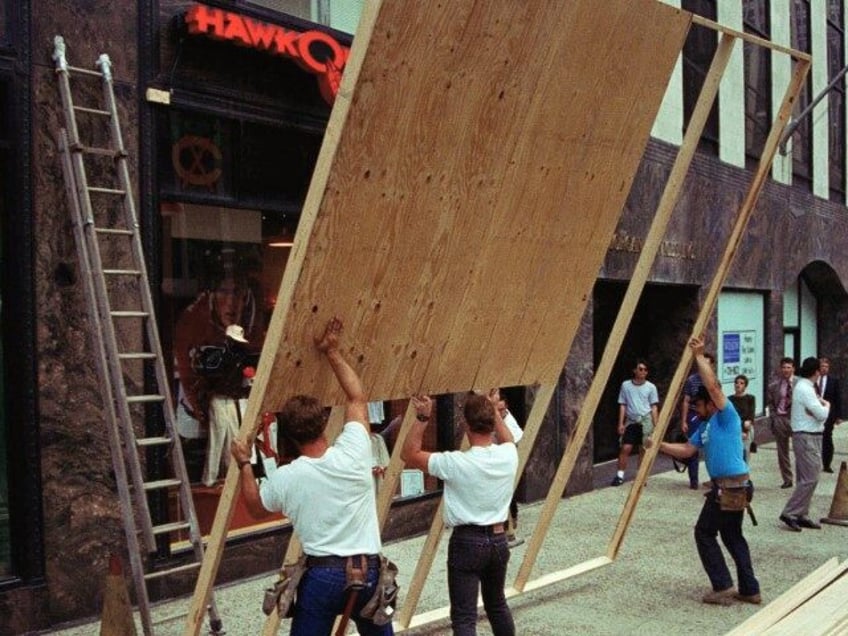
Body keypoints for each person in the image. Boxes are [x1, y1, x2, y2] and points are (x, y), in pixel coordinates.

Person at [231, 317, 393, 636]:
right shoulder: (353, 449)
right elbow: (357, 397)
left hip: (324, 575)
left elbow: (254, 506)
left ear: (288, 438)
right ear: (322, 424)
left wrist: (244, 463)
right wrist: (331, 352)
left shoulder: (287, 478)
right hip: (369, 570)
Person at [402, 391, 517, 636]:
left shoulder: (456, 463)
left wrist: (423, 418)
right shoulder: (509, 455)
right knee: (497, 605)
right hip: (498, 539)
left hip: (467, 542)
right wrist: (493, 410)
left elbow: (409, 454)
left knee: (465, 618)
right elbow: (508, 439)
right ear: (493, 423)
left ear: (466, 425)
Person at [659, 335, 760, 607]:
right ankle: (750, 589)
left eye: (699, 405)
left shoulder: (726, 416)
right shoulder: (704, 427)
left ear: (710, 404)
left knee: (704, 532)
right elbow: (687, 451)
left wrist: (700, 357)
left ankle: (723, 585)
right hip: (730, 487)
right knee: (731, 535)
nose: (696, 409)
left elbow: (713, 387)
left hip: (730, 487)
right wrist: (658, 445)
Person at [778, 356, 830, 532]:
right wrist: (827, 405)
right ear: (816, 371)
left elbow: (814, 411)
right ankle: (791, 512)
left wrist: (818, 408)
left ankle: (802, 513)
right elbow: (821, 414)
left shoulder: (805, 387)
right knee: (811, 477)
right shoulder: (805, 389)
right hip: (807, 435)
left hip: (808, 434)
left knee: (804, 478)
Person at [611, 359, 659, 486]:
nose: (643, 372)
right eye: (640, 369)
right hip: (631, 421)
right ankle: (620, 475)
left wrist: (656, 425)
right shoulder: (626, 385)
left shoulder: (651, 387)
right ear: (634, 370)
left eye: (645, 369)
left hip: (646, 420)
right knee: (626, 447)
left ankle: (641, 476)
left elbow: (654, 406)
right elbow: (623, 404)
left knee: (643, 449)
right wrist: (621, 423)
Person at [680, 353, 716, 490]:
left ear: (711, 365)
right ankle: (693, 480)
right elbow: (686, 401)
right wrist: (684, 420)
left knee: (711, 447)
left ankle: (714, 479)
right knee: (692, 448)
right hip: (694, 415)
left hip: (710, 416)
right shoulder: (691, 380)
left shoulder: (714, 381)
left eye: (707, 364)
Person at [495, 390, 524, 547]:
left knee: (506, 494)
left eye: (502, 410)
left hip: (506, 460)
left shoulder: (507, 420)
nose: (500, 413)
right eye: (497, 409)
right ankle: (508, 533)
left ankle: (509, 531)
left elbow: (514, 442)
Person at [767, 357, 796, 489]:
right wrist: (774, 418)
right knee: (782, 452)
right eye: (784, 367)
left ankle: (802, 477)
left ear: (793, 369)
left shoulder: (800, 383)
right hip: (780, 418)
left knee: (800, 449)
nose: (786, 370)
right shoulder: (774, 386)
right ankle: (787, 479)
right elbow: (771, 404)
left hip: (796, 420)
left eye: (789, 367)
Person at [818, 356, 842, 473]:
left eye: (826, 367)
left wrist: (838, 416)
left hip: (829, 414)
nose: (824, 369)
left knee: (827, 437)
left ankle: (827, 464)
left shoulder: (833, 381)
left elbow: (838, 398)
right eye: (822, 366)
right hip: (815, 414)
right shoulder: (813, 381)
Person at [728, 374, 755, 463]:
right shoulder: (730, 399)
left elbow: (750, 417)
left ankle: (745, 474)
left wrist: (744, 431)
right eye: (736, 383)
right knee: (734, 455)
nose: (738, 385)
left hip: (746, 431)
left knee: (744, 455)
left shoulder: (750, 398)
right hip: (734, 429)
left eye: (741, 383)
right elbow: (729, 417)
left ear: (745, 386)